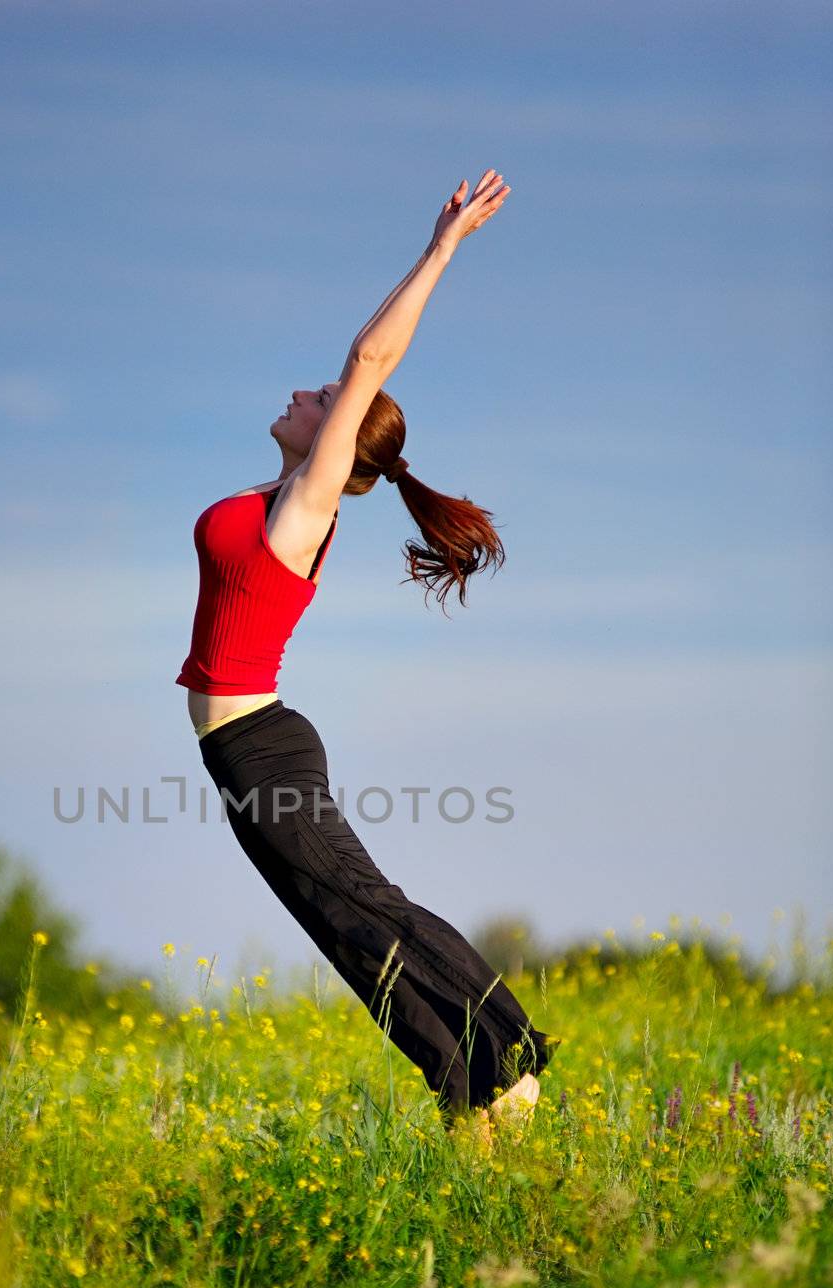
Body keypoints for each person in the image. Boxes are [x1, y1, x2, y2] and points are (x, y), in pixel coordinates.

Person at [175, 169, 561, 1136]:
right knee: (342, 928)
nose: (304, 392)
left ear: (337, 444)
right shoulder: (272, 503)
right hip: (239, 751)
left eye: (320, 398)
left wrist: (441, 249)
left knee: (358, 899)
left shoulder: (304, 508)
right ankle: (469, 1091)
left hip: (259, 744)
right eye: (315, 393)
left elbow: (368, 355)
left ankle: (508, 1060)